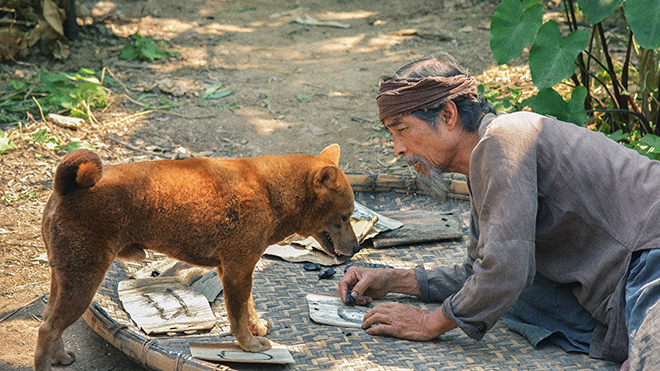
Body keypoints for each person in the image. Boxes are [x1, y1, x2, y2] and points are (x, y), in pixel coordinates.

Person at [337, 52, 660, 371]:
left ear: (448, 115)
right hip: (622, 282)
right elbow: (481, 273)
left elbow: (506, 270)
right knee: (513, 300)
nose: (398, 149)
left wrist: (428, 323)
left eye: (402, 130)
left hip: (650, 255)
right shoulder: (486, 158)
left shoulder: (503, 139)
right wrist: (395, 279)